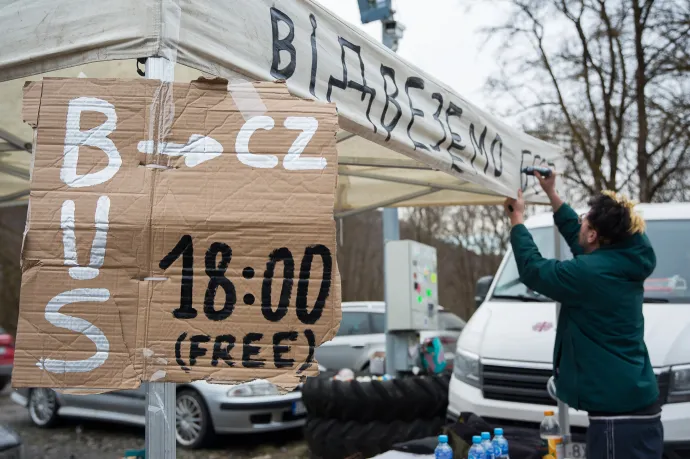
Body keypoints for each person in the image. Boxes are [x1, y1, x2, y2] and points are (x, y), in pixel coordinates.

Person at [504, 172, 663, 459]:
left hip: (618, 420)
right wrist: (552, 195)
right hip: (635, 411)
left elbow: (534, 270)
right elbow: (581, 244)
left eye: (584, 221)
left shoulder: (590, 273)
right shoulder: (622, 261)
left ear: (593, 235)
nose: (579, 223)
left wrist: (517, 220)